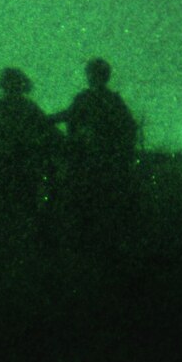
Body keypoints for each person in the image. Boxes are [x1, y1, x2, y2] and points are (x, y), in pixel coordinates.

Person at [49, 58, 138, 250]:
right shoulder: (104, 100)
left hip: (96, 163)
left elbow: (127, 129)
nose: (90, 77)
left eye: (92, 73)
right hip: (93, 162)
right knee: (91, 206)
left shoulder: (102, 100)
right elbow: (68, 115)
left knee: (92, 205)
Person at [0, 68, 61, 238]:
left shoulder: (2, 107)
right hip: (16, 164)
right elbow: (50, 131)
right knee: (20, 204)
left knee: (12, 205)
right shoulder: (21, 107)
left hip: (15, 165)